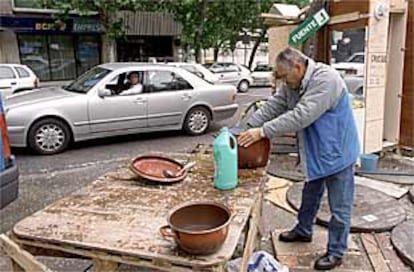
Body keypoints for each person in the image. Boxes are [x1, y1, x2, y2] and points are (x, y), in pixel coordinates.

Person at [238, 47, 360, 270]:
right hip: (317, 151)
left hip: (339, 152)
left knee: (340, 207)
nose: (284, 82)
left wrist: (262, 132)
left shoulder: (326, 79)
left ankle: (336, 251)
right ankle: (303, 230)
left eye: (285, 76)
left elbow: (301, 116)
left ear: (298, 67)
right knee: (310, 194)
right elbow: (274, 106)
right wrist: (245, 128)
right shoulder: (292, 83)